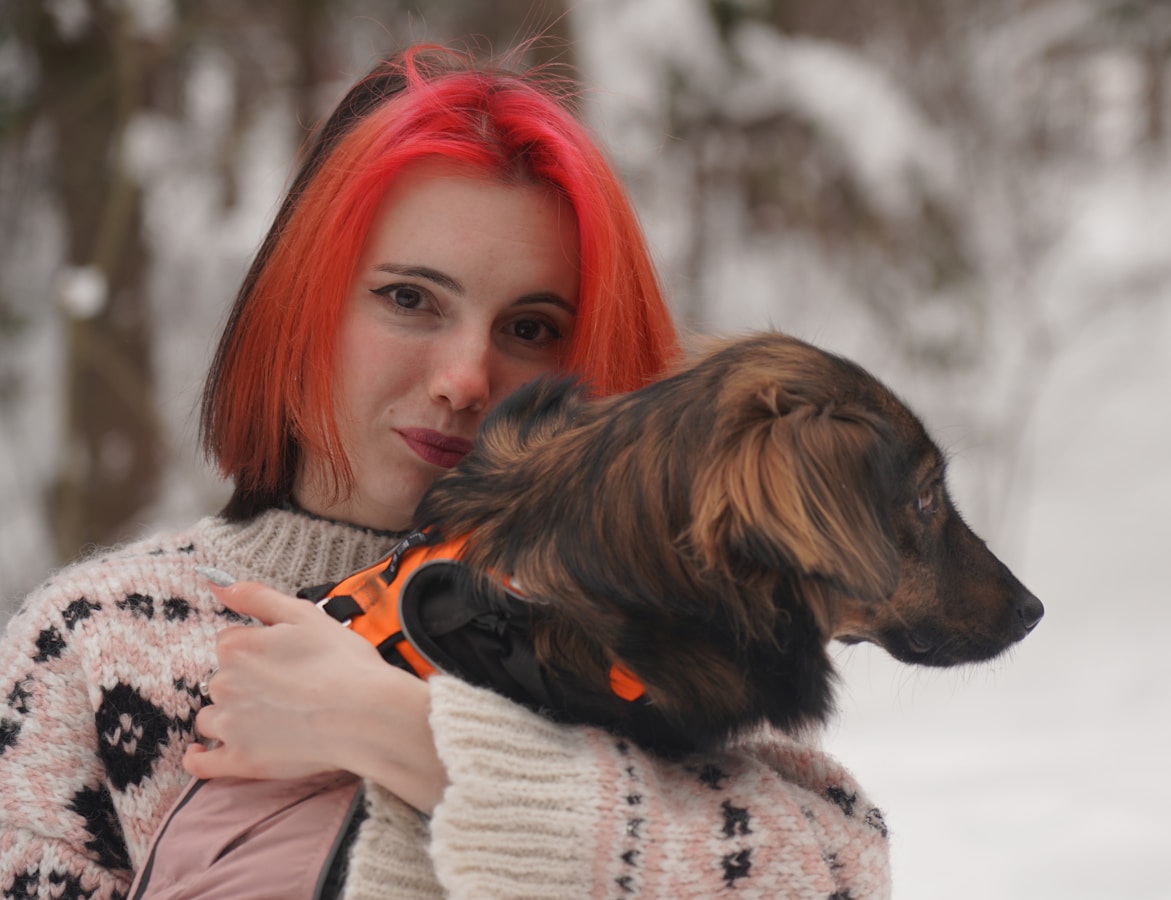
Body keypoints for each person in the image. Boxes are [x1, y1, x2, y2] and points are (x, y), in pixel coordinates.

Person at [0, 45, 890, 898]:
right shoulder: (97, 640)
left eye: (531, 328)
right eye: (409, 299)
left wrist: (413, 738)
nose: (465, 379)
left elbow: (836, 872)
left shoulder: (636, 633)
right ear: (300, 303)